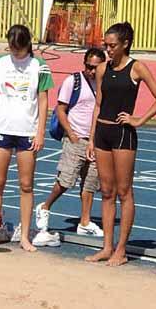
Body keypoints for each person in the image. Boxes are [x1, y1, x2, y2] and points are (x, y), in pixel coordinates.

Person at [85, 22, 156, 266]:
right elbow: (98, 104)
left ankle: (122, 249)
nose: (108, 50)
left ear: (125, 44)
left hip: (123, 134)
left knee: (124, 191)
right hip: (102, 132)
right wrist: (91, 138)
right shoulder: (101, 69)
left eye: (112, 46)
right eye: (106, 45)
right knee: (106, 191)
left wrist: (139, 119)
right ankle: (107, 247)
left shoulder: (137, 68)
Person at [0, 24, 54, 252]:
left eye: (18, 49)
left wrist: (40, 131)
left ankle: (24, 236)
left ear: (27, 45)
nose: (14, 53)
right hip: (2, 128)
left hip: (27, 131)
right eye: (11, 48)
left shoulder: (39, 66)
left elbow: (43, 100)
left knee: (26, 184)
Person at [35, 48, 106, 242]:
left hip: (95, 140)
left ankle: (85, 221)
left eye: (95, 67)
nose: (91, 71)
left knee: (90, 182)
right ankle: (45, 206)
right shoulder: (72, 82)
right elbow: (60, 109)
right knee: (66, 180)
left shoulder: (104, 83)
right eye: (88, 66)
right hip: (75, 138)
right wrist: (72, 135)